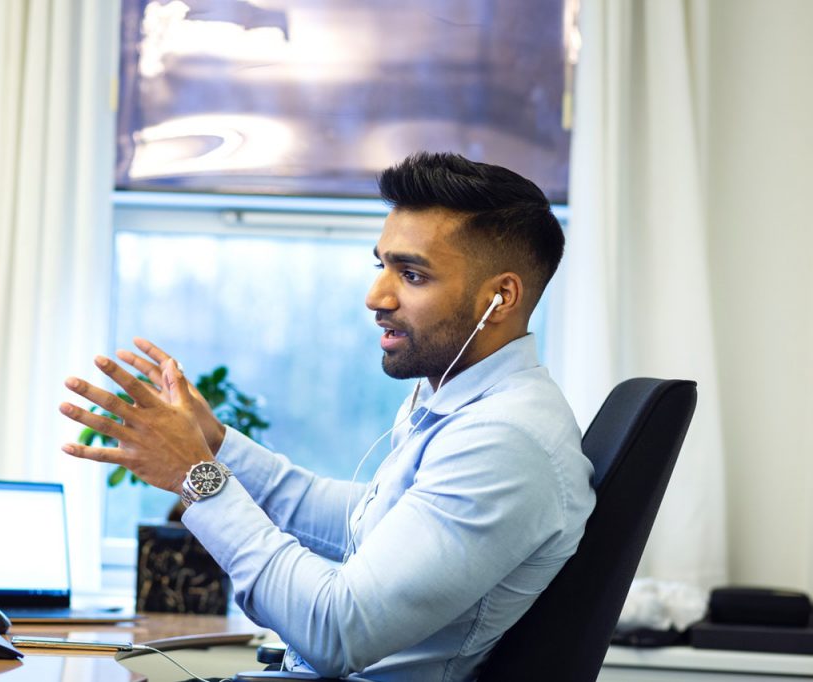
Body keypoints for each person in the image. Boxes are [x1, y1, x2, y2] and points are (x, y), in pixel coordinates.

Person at [58, 152, 596, 681]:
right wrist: (218, 446)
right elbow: (361, 522)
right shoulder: (467, 403)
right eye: (381, 265)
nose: (375, 297)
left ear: (500, 297)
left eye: (411, 275)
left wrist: (195, 477)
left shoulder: (504, 442)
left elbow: (336, 631)